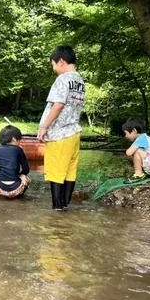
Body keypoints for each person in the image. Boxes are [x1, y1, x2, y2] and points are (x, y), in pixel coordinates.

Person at [37, 45, 86, 211]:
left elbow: (58, 105)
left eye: (53, 64)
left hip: (59, 133)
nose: (53, 68)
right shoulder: (80, 81)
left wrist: (44, 127)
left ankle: (56, 209)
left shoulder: (63, 79)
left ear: (61, 61)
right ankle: (65, 207)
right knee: (69, 172)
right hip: (74, 132)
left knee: (56, 173)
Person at [122, 117, 150, 182]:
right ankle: (141, 172)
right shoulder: (144, 138)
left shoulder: (141, 139)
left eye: (126, 133)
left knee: (136, 151)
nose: (125, 136)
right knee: (137, 151)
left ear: (134, 130)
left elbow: (128, 153)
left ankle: (138, 174)